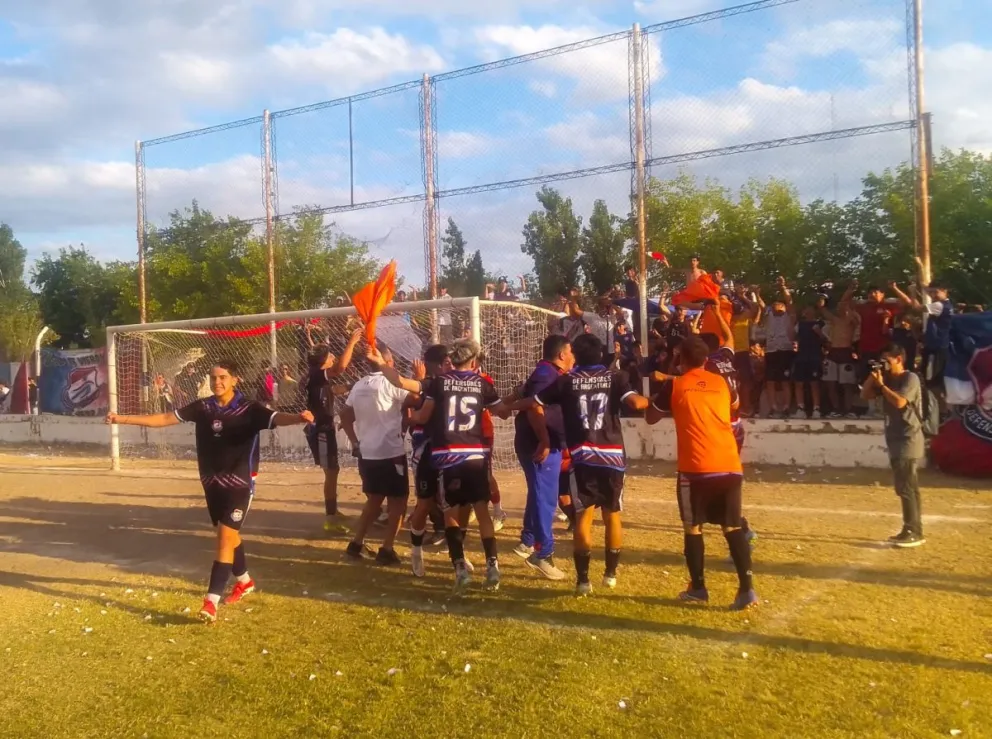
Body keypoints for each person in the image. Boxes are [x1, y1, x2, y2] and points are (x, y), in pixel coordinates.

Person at [106, 360, 314, 622]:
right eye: (214, 377)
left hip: (240, 484)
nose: (218, 382)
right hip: (211, 483)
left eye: (223, 377)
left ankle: (210, 602)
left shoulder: (249, 409)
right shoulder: (203, 407)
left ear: (235, 379)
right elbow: (164, 418)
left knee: (225, 538)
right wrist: (121, 418)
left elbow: (276, 418)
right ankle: (245, 582)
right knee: (229, 536)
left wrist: (298, 417)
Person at [372, 339, 513, 593]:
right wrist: (520, 397)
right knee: (481, 511)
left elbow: (401, 382)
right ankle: (492, 565)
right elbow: (503, 411)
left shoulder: (439, 383)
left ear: (453, 359)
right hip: (475, 456)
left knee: (451, 513)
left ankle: (459, 568)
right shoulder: (482, 383)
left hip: (448, 456)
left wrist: (382, 364)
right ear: (474, 360)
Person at [526, 334, 650, 595]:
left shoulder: (566, 381)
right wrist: (654, 402)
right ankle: (611, 574)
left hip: (582, 458)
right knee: (612, 514)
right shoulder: (615, 377)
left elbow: (534, 403)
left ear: (577, 356)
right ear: (600, 354)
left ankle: (583, 581)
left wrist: (539, 433)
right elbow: (636, 403)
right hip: (612, 456)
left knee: (584, 517)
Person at [646, 337, 757, 611]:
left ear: (679, 359)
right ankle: (747, 589)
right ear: (706, 361)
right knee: (731, 526)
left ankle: (698, 588)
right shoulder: (722, 384)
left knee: (693, 527)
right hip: (729, 463)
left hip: (696, 467)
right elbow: (733, 408)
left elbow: (650, 416)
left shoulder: (674, 385)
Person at [339, 345, 415, 566]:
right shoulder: (393, 382)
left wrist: (355, 441)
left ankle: (356, 544)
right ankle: (387, 548)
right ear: (387, 361)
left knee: (373, 500)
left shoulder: (359, 385)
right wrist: (421, 379)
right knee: (398, 501)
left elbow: (345, 415)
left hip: (368, 452)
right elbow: (417, 399)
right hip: (390, 452)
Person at [512, 334, 574, 580]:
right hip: (539, 445)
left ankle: (527, 541)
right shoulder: (545, 375)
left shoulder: (549, 372)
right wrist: (545, 440)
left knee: (539, 493)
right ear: (561, 355)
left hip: (544, 443)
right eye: (571, 352)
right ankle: (543, 553)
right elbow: (534, 407)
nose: (573, 358)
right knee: (546, 498)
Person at [860, 343, 926, 548]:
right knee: (907, 486)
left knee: (906, 486)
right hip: (895, 437)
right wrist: (875, 376)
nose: (885, 364)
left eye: (887, 360)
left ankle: (913, 531)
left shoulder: (909, 378)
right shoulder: (887, 379)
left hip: (909, 438)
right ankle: (912, 528)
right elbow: (865, 395)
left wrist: (882, 386)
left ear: (899, 359)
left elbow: (900, 402)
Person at [302, 329, 362, 534]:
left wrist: (351, 386)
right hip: (321, 429)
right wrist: (352, 342)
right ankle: (330, 518)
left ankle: (333, 511)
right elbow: (341, 367)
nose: (333, 357)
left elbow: (332, 389)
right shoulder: (318, 374)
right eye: (330, 355)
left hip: (323, 428)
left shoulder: (316, 377)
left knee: (333, 471)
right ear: (323, 361)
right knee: (331, 472)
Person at [407, 344, 452, 577]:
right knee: (424, 503)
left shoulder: (455, 383)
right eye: (447, 362)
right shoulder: (429, 384)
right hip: (426, 451)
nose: (451, 365)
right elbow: (409, 401)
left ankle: (457, 555)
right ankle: (416, 552)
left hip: (450, 450)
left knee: (452, 503)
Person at [820, 283, 861, 418]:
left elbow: (844, 304)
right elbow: (822, 309)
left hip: (846, 352)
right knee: (830, 383)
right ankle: (836, 409)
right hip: (833, 353)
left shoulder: (852, 319)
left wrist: (849, 290)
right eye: (838, 307)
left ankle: (848, 409)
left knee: (847, 384)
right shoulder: (834, 320)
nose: (840, 309)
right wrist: (821, 298)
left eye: (842, 307)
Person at [762, 279, 796, 418]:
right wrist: (757, 294)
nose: (777, 306)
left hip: (785, 351)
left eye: (780, 305)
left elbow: (790, 302)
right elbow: (761, 305)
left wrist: (783, 288)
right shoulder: (768, 317)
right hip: (771, 351)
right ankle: (773, 408)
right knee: (770, 381)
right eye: (775, 305)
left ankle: (786, 407)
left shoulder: (789, 317)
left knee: (785, 381)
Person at [792, 304, 826, 418]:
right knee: (799, 383)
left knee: (814, 383)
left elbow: (826, 340)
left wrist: (819, 333)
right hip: (801, 356)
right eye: (806, 308)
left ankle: (817, 408)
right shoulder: (799, 324)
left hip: (815, 356)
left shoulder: (821, 324)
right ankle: (800, 408)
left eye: (810, 308)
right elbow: (792, 336)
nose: (808, 311)